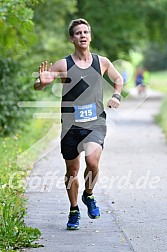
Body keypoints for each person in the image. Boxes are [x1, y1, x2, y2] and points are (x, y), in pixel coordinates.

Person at [34, 18, 123, 230]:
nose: (83, 35)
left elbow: (118, 79)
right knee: (72, 171)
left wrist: (117, 96)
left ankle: (88, 195)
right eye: (78, 33)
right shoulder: (63, 64)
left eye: (86, 32)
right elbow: (39, 84)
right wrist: (41, 83)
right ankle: (74, 210)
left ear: (90, 36)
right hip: (70, 126)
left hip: (95, 123)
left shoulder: (101, 62)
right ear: (71, 39)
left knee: (92, 162)